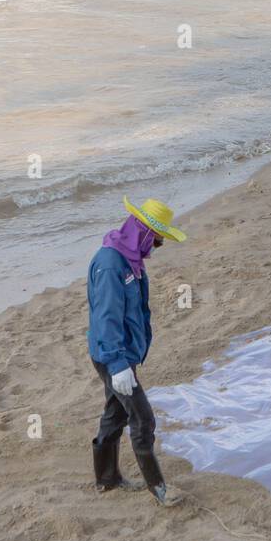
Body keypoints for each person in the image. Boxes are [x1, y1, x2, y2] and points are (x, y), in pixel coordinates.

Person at [87, 197, 187, 506]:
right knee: (143, 419)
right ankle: (158, 488)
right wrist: (117, 365)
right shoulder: (110, 264)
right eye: (156, 241)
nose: (155, 247)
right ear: (142, 232)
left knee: (115, 413)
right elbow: (107, 318)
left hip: (125, 354)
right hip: (112, 356)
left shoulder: (130, 259)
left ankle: (107, 479)